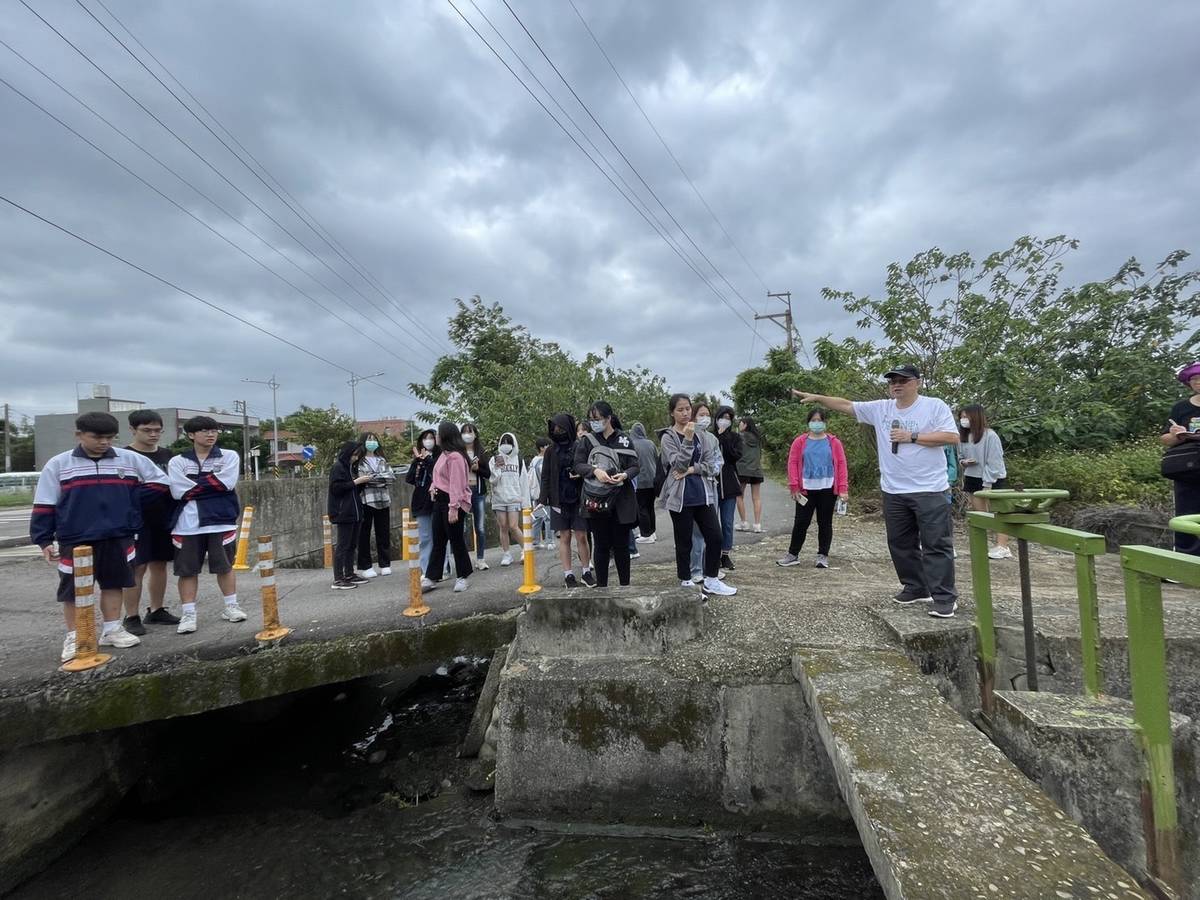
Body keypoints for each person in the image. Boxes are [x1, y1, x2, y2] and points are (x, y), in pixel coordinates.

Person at [793, 364, 959, 617]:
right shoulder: (882, 408)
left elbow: (951, 437)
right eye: (893, 380)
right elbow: (847, 405)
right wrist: (819, 398)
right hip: (893, 490)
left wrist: (911, 436)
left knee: (936, 544)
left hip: (930, 488)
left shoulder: (934, 406)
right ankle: (915, 587)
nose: (897, 384)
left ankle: (945, 597)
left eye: (903, 380)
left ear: (917, 382)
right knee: (900, 544)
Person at [32, 411, 170, 663]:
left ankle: (112, 629)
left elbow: (160, 483)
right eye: (97, 437)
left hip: (118, 533)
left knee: (113, 583)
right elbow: (44, 503)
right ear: (79, 435)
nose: (104, 442)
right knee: (73, 590)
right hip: (75, 537)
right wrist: (43, 539)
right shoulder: (60, 463)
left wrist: (130, 503)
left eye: (109, 437)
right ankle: (76, 635)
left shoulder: (128, 459)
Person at [168, 416, 247, 631]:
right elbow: (178, 491)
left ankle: (231, 606)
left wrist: (194, 487)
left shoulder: (229, 456)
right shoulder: (178, 461)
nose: (211, 434)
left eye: (214, 430)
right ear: (191, 435)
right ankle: (188, 613)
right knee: (187, 570)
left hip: (221, 521)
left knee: (225, 566)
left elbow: (227, 483)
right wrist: (213, 484)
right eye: (204, 431)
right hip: (187, 524)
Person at [659, 394, 737, 596]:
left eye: (687, 409)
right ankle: (686, 582)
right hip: (680, 497)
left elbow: (713, 466)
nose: (685, 413)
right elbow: (678, 464)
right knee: (684, 541)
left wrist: (694, 469)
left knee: (715, 536)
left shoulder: (703, 436)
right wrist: (687, 439)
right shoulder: (668, 437)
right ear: (672, 413)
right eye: (680, 410)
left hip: (703, 494)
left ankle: (711, 579)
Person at [121, 409, 180, 635]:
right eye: (147, 430)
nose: (153, 434)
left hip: (164, 517)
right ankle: (131, 615)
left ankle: (156, 610)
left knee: (160, 565)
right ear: (133, 430)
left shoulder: (168, 455)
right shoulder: (123, 456)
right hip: (135, 520)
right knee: (137, 566)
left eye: (157, 430)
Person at [575, 401, 639, 587]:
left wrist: (625, 475)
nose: (594, 422)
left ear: (609, 418)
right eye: (591, 419)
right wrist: (594, 471)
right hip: (596, 499)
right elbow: (578, 465)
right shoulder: (587, 441)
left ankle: (625, 587)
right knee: (601, 544)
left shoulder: (624, 439)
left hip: (621, 500)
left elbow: (636, 466)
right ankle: (602, 588)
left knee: (621, 546)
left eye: (598, 419)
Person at [778, 409, 848, 568]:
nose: (817, 423)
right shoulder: (800, 441)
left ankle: (822, 555)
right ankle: (793, 554)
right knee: (801, 522)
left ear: (825, 422)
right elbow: (793, 463)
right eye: (813, 420)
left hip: (828, 489)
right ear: (809, 422)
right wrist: (794, 486)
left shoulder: (834, 442)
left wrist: (843, 488)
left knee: (825, 523)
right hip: (805, 490)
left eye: (819, 420)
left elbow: (841, 464)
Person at [539, 413, 595, 587]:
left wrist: (579, 474)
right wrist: (543, 498)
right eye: (554, 429)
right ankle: (568, 575)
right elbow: (545, 476)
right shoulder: (550, 451)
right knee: (564, 536)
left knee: (581, 536)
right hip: (558, 500)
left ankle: (586, 571)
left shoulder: (579, 446)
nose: (557, 432)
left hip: (578, 497)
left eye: (561, 428)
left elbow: (587, 468)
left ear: (568, 428)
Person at [957, 404, 1011, 560]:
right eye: (961, 417)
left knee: (998, 513)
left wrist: (987, 484)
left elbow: (994, 462)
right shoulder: (964, 437)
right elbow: (960, 456)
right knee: (980, 513)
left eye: (966, 417)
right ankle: (984, 545)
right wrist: (964, 462)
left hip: (992, 478)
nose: (963, 420)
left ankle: (1003, 546)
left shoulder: (990, 436)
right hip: (972, 476)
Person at [425, 421, 473, 592]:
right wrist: (432, 488)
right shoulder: (443, 455)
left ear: (445, 435)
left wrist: (454, 508)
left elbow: (456, 484)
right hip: (439, 501)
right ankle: (432, 576)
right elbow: (438, 477)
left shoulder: (456, 457)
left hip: (453, 502)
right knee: (438, 540)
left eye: (438, 434)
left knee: (456, 539)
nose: (435, 437)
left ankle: (463, 575)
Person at [1162, 361, 1200, 556]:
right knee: (1185, 514)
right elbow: (1165, 439)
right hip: (1187, 467)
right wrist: (1177, 434)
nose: (1198, 382)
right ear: (1189, 383)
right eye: (1194, 379)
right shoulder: (1181, 408)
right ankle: (1184, 559)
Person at [684, 402, 723, 582]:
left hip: (710, 486)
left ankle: (711, 569)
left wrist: (698, 468)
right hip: (692, 488)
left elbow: (717, 464)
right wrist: (700, 468)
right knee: (695, 533)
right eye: (701, 414)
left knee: (713, 531)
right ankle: (695, 569)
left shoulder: (713, 438)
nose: (705, 418)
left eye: (707, 414)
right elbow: (684, 465)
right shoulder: (688, 434)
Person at [327, 439, 370, 590]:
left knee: (352, 544)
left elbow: (352, 490)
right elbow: (336, 488)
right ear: (348, 454)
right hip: (343, 512)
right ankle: (338, 578)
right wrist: (356, 482)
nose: (356, 457)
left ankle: (349, 573)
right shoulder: (338, 467)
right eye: (355, 454)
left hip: (354, 511)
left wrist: (362, 483)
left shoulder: (349, 467)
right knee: (342, 546)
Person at [355, 432, 396, 578]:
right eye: (368, 439)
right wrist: (378, 478)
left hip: (383, 500)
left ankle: (385, 564)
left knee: (383, 533)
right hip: (366, 500)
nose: (371, 442)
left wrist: (372, 478)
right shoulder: (359, 462)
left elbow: (390, 477)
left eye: (374, 439)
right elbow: (362, 478)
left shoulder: (382, 459)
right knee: (364, 534)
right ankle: (365, 566)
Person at [490, 431, 529, 566]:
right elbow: (493, 480)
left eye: (509, 442)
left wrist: (526, 502)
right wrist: (497, 468)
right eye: (503, 442)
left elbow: (523, 481)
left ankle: (526, 550)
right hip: (499, 498)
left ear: (513, 444)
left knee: (513, 526)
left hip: (514, 498)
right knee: (503, 527)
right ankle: (507, 554)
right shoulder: (494, 459)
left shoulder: (518, 460)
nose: (506, 445)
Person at [714, 406, 744, 572]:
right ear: (716, 418)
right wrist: (718, 436)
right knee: (712, 523)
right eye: (722, 417)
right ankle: (712, 554)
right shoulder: (710, 436)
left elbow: (735, 456)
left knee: (727, 522)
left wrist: (724, 436)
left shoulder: (735, 437)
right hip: (713, 484)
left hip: (730, 485)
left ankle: (725, 555)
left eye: (728, 417)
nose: (725, 419)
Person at [407, 429, 439, 577]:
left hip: (437, 500)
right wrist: (417, 462)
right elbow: (410, 479)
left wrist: (427, 460)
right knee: (425, 538)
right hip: (421, 503)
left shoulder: (440, 456)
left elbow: (438, 475)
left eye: (431, 438)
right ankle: (426, 571)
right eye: (425, 438)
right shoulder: (418, 460)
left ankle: (442, 569)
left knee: (439, 537)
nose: (428, 441)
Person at [460, 423, 491, 570]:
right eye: (465, 432)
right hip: (462, 493)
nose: (467, 435)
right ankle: (464, 560)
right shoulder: (458, 452)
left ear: (475, 434)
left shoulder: (481, 452)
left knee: (480, 527)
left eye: (470, 432)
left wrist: (478, 469)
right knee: (463, 528)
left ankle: (480, 559)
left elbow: (488, 474)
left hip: (478, 492)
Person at [630, 423, 662, 546]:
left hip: (640, 481)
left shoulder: (632, 444)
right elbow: (656, 459)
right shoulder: (651, 443)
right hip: (653, 481)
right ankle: (652, 532)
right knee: (650, 507)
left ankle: (646, 534)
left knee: (641, 508)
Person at [735, 416, 765, 533]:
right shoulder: (758, 439)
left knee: (739, 495)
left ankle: (744, 523)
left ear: (745, 425)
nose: (739, 425)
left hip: (742, 469)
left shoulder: (740, 437)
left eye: (740, 423)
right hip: (756, 470)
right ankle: (757, 525)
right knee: (756, 497)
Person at [528, 437, 553, 549]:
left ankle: (535, 541)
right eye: (547, 446)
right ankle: (549, 541)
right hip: (544, 493)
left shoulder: (533, 461)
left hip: (535, 493)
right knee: (548, 517)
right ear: (542, 448)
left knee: (537, 518)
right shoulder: (542, 461)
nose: (549, 447)